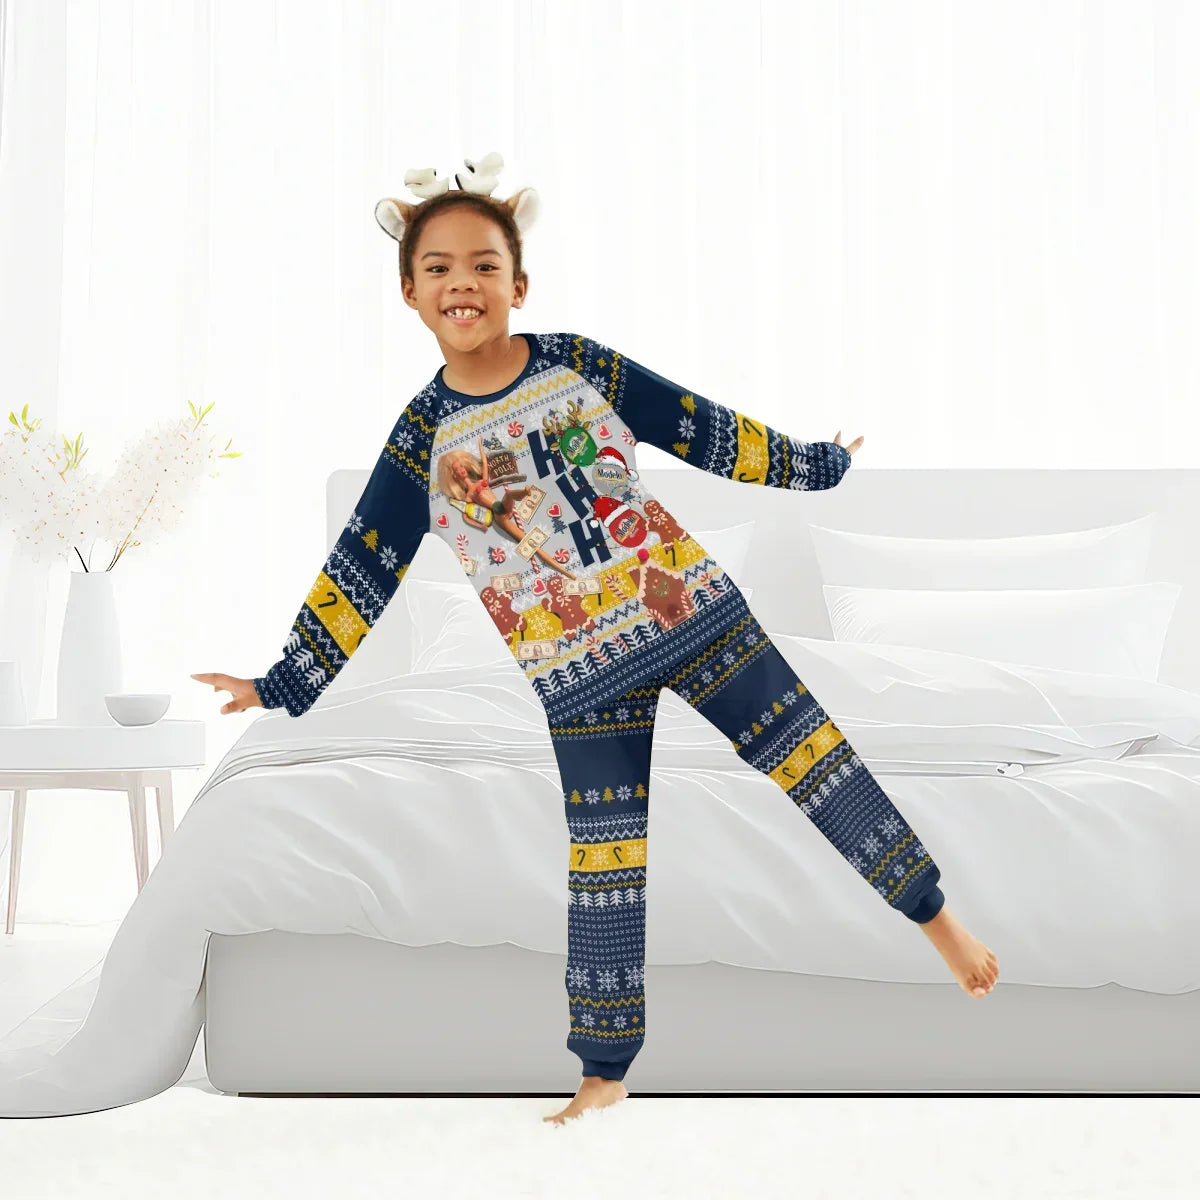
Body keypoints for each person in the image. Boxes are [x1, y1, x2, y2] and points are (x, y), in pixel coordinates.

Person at [192, 152, 998, 1127]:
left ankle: (937, 921)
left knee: (813, 758)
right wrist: (284, 682)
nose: (463, 283)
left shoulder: (581, 366)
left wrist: (815, 466)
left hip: (691, 616)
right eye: (439, 267)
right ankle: (604, 1066)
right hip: (577, 679)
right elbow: (362, 571)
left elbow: (702, 428)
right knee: (603, 860)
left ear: (518, 284)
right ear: (408, 291)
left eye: (485, 265)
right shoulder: (421, 443)